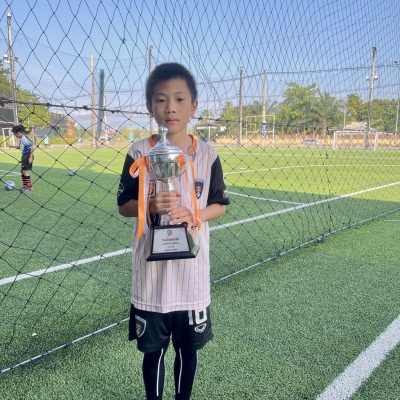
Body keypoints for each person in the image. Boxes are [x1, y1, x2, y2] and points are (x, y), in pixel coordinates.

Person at [117, 63, 229, 400]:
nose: (170, 108)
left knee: (187, 350)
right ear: (149, 105)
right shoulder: (139, 152)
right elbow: (124, 205)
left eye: (179, 99)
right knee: (153, 352)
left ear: (194, 105)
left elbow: (219, 205)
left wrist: (194, 214)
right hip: (151, 278)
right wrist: (150, 205)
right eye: (161, 99)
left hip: (191, 278)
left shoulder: (207, 154)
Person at [11, 125, 36, 192]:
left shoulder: (25, 139)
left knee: (25, 171)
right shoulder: (21, 138)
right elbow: (21, 147)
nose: (15, 135)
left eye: (15, 134)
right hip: (24, 156)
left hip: (27, 156)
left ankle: (29, 187)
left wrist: (30, 157)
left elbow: (32, 147)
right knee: (22, 171)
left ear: (18, 132)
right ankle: (25, 186)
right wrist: (13, 146)